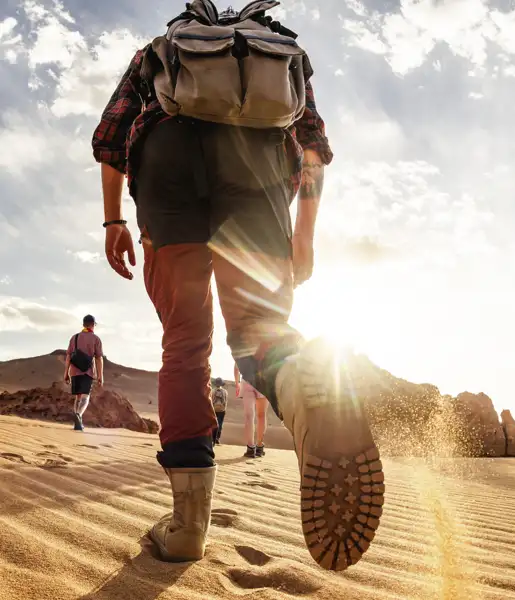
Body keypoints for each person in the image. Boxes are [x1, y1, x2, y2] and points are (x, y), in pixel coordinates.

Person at [91, 0, 384, 572]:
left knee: (185, 344)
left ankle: (188, 528)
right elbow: (314, 149)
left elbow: (110, 138)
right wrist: (305, 236)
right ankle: (301, 388)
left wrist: (113, 221)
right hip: (259, 173)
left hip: (168, 169)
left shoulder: (159, 52)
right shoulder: (285, 55)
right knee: (258, 330)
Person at [63, 315, 104, 431]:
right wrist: (100, 376)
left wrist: (66, 373)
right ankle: (79, 415)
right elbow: (98, 358)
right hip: (88, 371)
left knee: (78, 396)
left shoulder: (74, 338)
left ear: (83, 324)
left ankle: (77, 418)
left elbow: (68, 356)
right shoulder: (96, 339)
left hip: (74, 371)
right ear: (93, 324)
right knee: (86, 396)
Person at [234, 363, 268, 458]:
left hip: (247, 381)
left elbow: (237, 366)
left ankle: (250, 448)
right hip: (263, 381)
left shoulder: (244, 347)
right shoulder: (265, 347)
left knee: (249, 416)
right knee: (261, 415)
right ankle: (259, 446)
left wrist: (237, 383)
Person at [210, 377, 228, 446]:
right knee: (220, 424)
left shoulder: (212, 391)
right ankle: (217, 438)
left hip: (213, 409)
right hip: (222, 410)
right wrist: (224, 409)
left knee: (213, 423)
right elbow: (226, 401)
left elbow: (210, 400)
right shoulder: (225, 392)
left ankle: (212, 438)